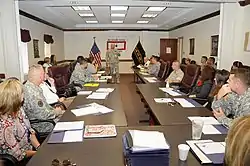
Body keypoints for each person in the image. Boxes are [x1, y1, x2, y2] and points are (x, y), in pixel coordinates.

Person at [0, 79, 40, 161]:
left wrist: (39, 147)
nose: (24, 95)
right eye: (22, 93)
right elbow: (18, 155)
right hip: (20, 161)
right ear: (15, 98)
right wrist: (38, 153)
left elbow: (30, 132)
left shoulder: (19, 109)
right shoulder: (5, 126)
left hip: (31, 151)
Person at [23, 64, 64, 133]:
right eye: (44, 73)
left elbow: (45, 108)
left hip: (46, 119)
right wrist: (58, 112)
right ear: (40, 76)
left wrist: (56, 110)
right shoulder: (33, 93)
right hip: (43, 125)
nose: (45, 75)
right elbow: (43, 115)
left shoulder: (33, 87)